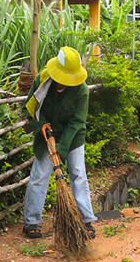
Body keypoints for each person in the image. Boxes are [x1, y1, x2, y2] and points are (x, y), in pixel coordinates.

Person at [22, 46, 98, 240]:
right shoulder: (42, 80)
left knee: (78, 174)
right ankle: (31, 220)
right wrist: (40, 124)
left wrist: (61, 150)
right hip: (46, 135)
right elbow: (30, 107)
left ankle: (86, 219)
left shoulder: (81, 90)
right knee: (39, 175)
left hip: (73, 137)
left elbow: (77, 122)